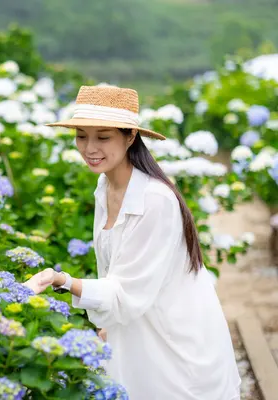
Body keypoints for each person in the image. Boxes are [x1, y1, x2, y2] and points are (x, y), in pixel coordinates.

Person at [23, 85, 241, 400]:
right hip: (134, 326)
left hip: (172, 340)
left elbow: (126, 292)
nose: (89, 147)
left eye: (103, 136)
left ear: (130, 137)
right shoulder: (105, 186)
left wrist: (59, 280)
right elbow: (115, 273)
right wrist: (108, 324)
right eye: (81, 135)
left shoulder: (155, 200)